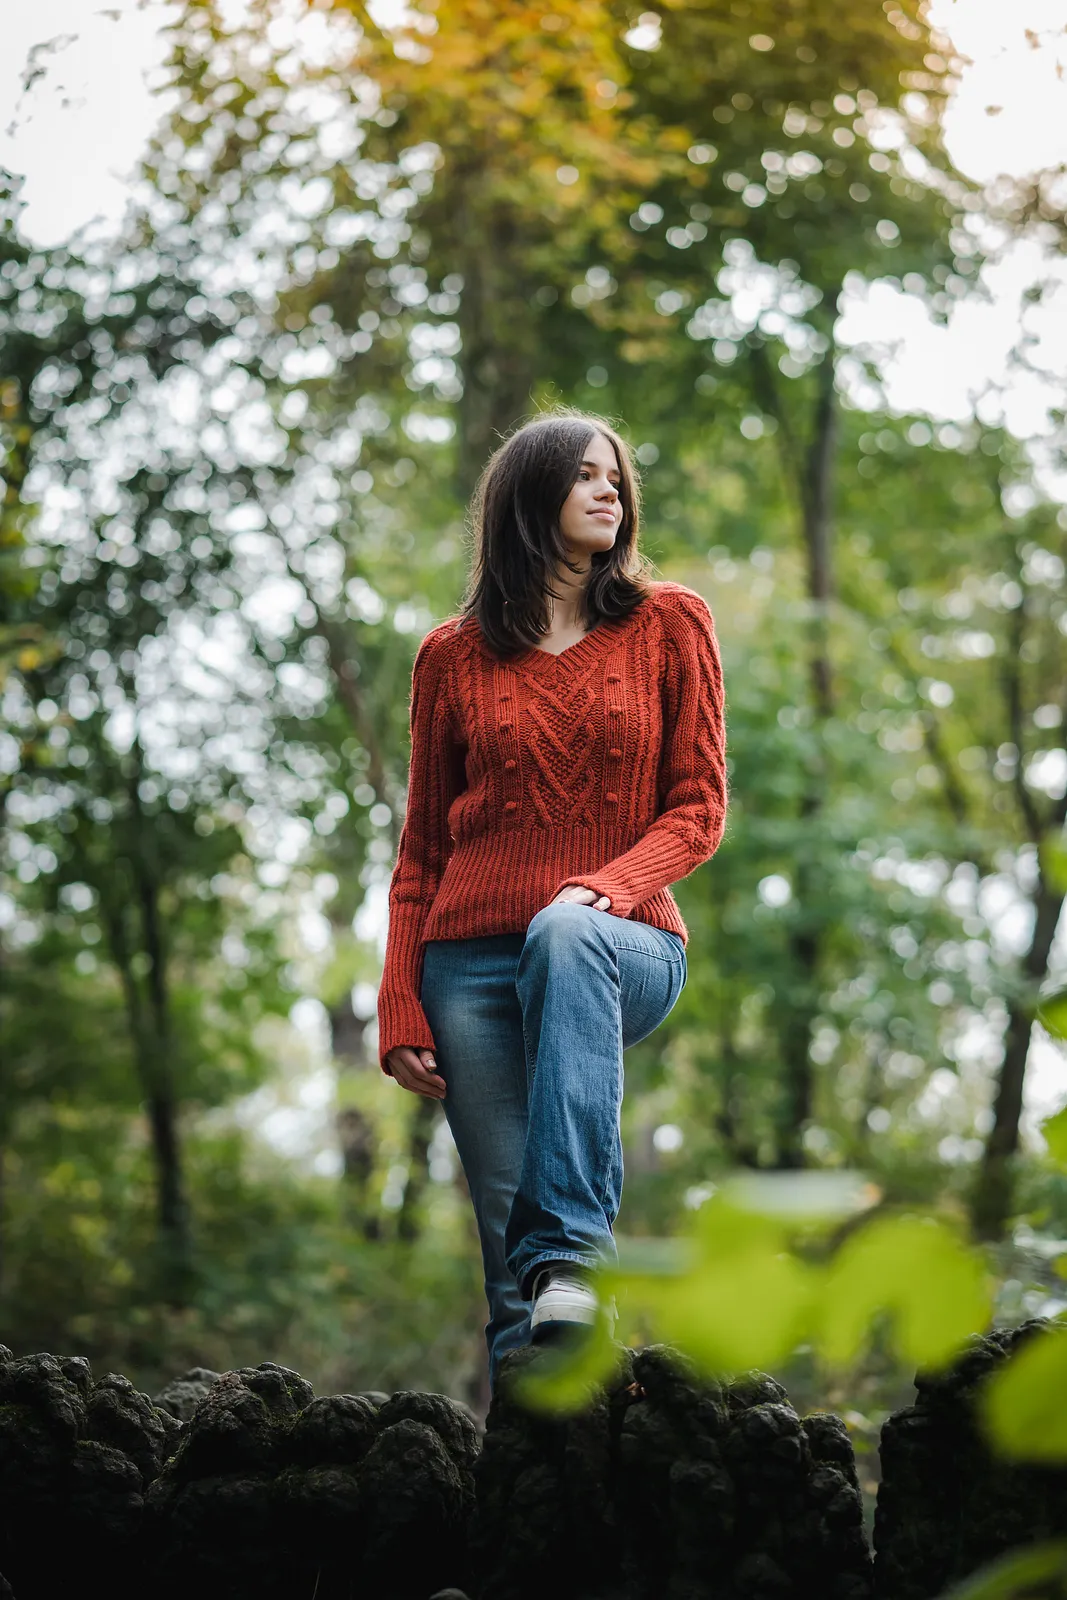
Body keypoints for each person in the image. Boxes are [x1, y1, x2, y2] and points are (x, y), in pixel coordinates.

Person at [376, 408, 728, 1389]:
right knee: (508, 1268)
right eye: (582, 476)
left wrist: (607, 888)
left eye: (614, 474)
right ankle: (526, 1494)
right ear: (530, 498)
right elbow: (421, 849)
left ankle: (573, 1252)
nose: (608, 489)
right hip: (467, 970)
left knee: (566, 929)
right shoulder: (450, 656)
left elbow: (697, 808)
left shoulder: (668, 623)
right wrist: (401, 1000)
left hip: (618, 947)